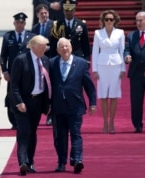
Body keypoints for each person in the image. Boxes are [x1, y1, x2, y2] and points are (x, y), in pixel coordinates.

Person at [49, 37, 96, 173]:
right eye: (62, 47)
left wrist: (92, 102)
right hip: (58, 107)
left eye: (67, 46)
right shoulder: (52, 63)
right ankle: (61, 162)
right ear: (57, 50)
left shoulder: (81, 63)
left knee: (76, 134)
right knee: (60, 136)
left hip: (75, 106)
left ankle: (77, 160)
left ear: (71, 48)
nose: (64, 49)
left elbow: (89, 86)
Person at [10, 35, 51, 175]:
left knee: (32, 132)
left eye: (46, 46)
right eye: (42, 46)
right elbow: (14, 84)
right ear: (33, 46)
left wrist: (47, 103)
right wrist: (19, 101)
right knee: (24, 132)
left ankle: (30, 162)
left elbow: (47, 83)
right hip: (23, 102)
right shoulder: (21, 60)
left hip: (38, 102)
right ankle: (22, 162)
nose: (45, 48)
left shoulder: (45, 60)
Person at [92, 10, 126, 134]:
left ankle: (112, 122)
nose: (109, 21)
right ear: (103, 20)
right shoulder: (98, 33)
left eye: (111, 19)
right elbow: (95, 51)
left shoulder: (120, 33)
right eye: (106, 19)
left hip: (116, 65)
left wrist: (123, 68)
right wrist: (94, 69)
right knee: (103, 96)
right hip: (102, 65)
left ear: (115, 20)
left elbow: (122, 50)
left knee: (113, 95)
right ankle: (105, 122)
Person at [1, 12, 35, 130]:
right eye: (17, 22)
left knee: (26, 94)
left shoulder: (31, 37)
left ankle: (27, 119)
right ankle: (14, 121)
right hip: (12, 73)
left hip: (27, 73)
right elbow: (3, 56)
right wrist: (4, 71)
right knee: (11, 96)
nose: (20, 25)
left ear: (25, 23)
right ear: (14, 23)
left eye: (22, 22)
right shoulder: (7, 37)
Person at [32, 4, 54, 125]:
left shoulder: (54, 25)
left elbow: (57, 42)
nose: (44, 15)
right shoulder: (35, 28)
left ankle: (50, 115)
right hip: (38, 60)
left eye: (46, 13)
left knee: (50, 87)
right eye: (42, 14)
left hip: (50, 59)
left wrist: (47, 47)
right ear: (37, 15)